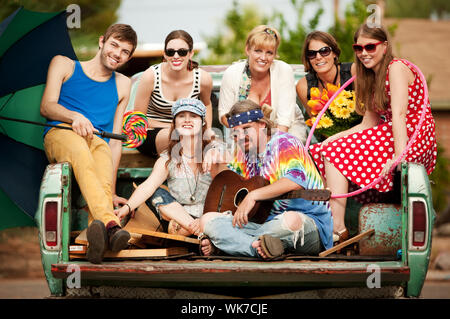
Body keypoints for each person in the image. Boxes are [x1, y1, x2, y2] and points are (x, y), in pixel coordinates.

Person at [309, 23, 437, 243]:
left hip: (413, 135)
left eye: (370, 47)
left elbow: (398, 115)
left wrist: (399, 157)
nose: (364, 53)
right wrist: (330, 140)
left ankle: (337, 228)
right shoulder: (368, 76)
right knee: (324, 150)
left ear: (384, 46)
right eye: (359, 49)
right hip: (391, 132)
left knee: (334, 153)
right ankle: (332, 224)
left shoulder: (395, 68)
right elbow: (367, 125)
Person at [40, 24, 138, 264]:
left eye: (125, 51)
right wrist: (75, 116)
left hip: (97, 141)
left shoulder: (124, 84)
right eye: (114, 45)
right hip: (60, 133)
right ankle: (111, 225)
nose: (117, 53)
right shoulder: (64, 64)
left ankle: (98, 238)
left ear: (128, 57)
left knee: (102, 153)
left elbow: (115, 141)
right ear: (102, 41)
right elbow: (46, 106)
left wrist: (112, 191)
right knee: (81, 151)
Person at [198, 99, 333, 259]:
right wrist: (214, 150)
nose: (241, 137)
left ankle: (231, 245)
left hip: (305, 223)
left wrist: (253, 195)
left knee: (289, 220)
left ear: (262, 124)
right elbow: (229, 182)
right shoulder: (242, 151)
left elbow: (294, 182)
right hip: (262, 224)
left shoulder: (285, 143)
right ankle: (260, 248)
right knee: (207, 220)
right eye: (235, 133)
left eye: (246, 128)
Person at [115, 98, 226, 237]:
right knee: (156, 192)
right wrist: (127, 208)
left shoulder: (215, 149)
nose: (187, 120)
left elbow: (230, 164)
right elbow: (147, 186)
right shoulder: (168, 159)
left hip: (211, 213)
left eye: (193, 116)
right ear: (174, 124)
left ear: (202, 122)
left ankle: (198, 230)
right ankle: (199, 232)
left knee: (181, 228)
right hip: (182, 216)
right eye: (181, 116)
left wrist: (214, 151)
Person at [218, 25, 307, 143]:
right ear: (248, 50)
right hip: (246, 135)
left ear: (275, 55)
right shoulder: (232, 73)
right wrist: (248, 130)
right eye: (258, 51)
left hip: (287, 132)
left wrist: (271, 149)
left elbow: (284, 122)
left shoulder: (284, 70)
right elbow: (224, 116)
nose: (263, 57)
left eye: (269, 53)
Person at [133, 30, 213, 158]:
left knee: (216, 146)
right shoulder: (151, 76)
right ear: (164, 54)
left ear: (191, 54)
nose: (176, 56)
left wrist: (207, 129)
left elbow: (207, 104)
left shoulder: (202, 78)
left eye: (182, 52)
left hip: (189, 132)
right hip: (152, 133)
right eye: (171, 52)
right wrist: (174, 126)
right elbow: (138, 119)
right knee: (175, 136)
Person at [296, 31, 356, 116]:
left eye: (324, 51)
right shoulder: (303, 86)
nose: (318, 57)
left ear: (334, 53)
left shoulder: (353, 72)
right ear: (308, 58)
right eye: (312, 53)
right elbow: (316, 123)